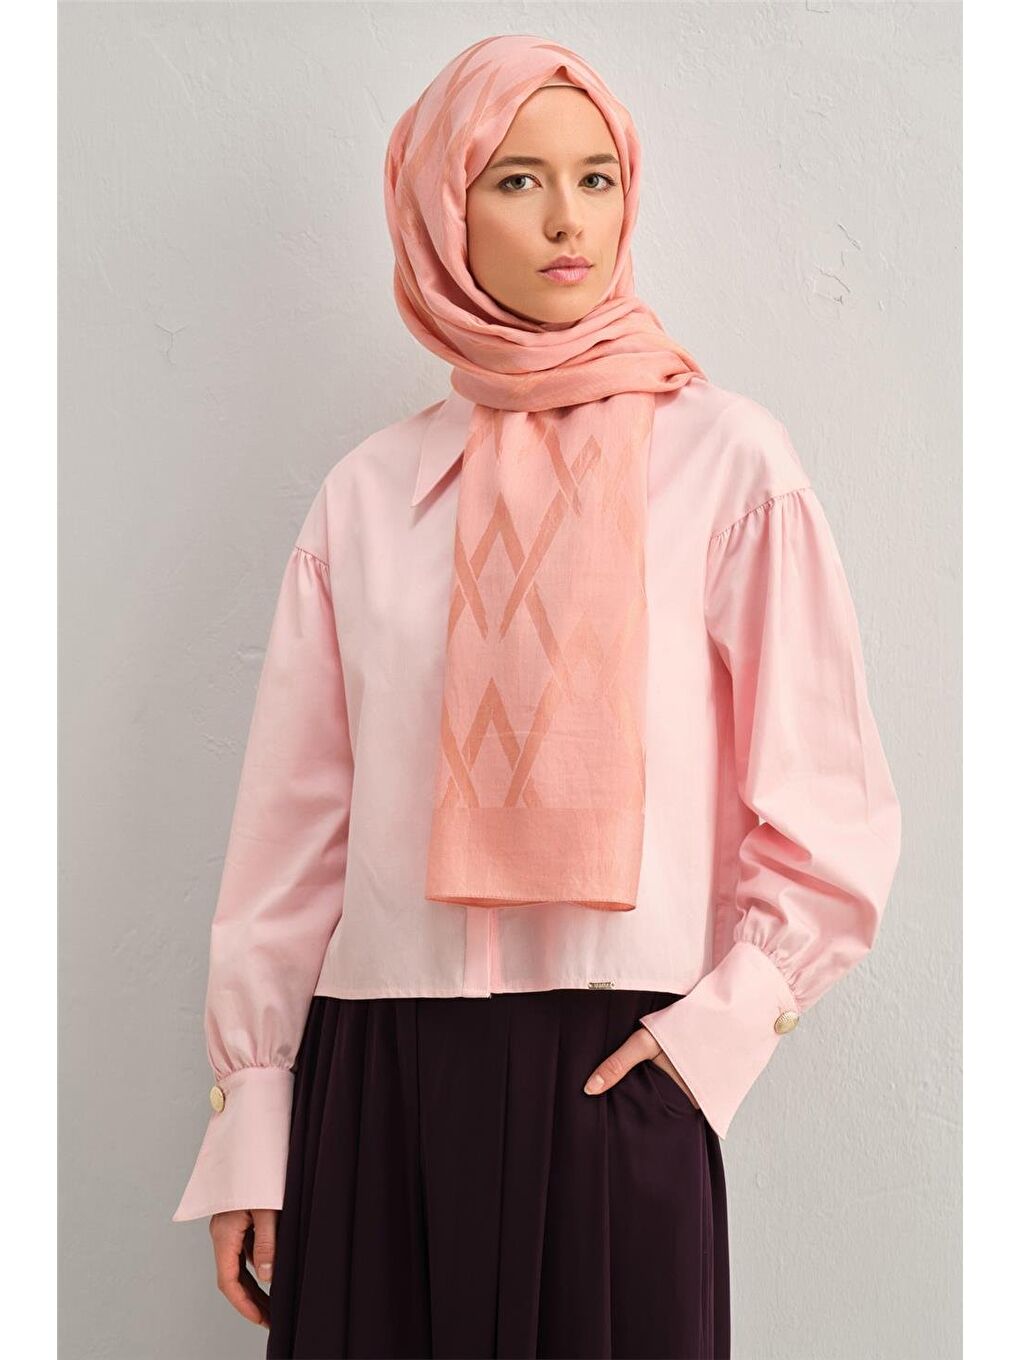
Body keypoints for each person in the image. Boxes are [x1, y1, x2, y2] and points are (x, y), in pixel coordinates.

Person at [171, 34, 902, 1360]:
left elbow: (829, 808)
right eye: (516, 180)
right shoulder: (370, 495)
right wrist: (255, 1118)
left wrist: (711, 1042)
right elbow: (291, 839)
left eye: (595, 178)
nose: (569, 219)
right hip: (378, 1078)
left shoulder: (729, 462)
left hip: (619, 1070)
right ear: (441, 212)